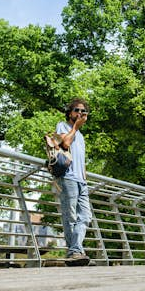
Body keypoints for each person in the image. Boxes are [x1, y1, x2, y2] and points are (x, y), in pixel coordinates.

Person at [56, 98, 91, 266]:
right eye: (77, 110)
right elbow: (65, 143)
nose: (80, 114)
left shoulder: (82, 136)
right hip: (68, 177)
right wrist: (76, 126)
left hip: (81, 181)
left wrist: (85, 179)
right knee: (70, 216)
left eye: (83, 112)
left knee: (85, 216)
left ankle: (75, 250)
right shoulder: (63, 126)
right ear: (70, 112)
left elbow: (82, 160)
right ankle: (76, 251)